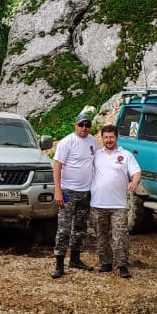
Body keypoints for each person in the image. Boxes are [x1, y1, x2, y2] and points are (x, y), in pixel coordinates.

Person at [90, 123, 143, 278]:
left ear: (116, 137)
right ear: (102, 138)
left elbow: (137, 171)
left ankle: (122, 265)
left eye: (111, 137)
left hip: (118, 204)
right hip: (98, 203)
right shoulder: (96, 155)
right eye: (105, 137)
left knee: (120, 236)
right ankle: (105, 263)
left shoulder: (125, 155)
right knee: (101, 236)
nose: (109, 140)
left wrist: (134, 181)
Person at [51, 111, 99, 278]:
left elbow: (95, 164)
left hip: (85, 191)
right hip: (68, 192)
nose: (84, 128)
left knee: (80, 227)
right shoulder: (66, 142)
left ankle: (75, 259)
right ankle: (59, 264)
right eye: (81, 125)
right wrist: (58, 190)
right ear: (75, 125)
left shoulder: (93, 142)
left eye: (87, 125)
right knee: (64, 228)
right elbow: (57, 166)